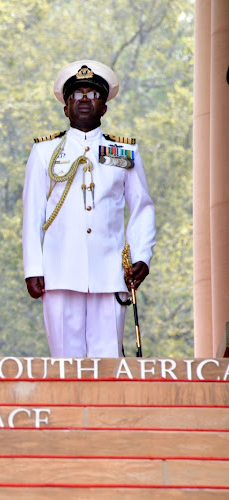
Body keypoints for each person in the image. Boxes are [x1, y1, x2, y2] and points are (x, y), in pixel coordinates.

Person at [22, 60, 156, 357]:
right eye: (77, 95)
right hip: (59, 272)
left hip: (110, 273)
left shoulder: (123, 151)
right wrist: (33, 267)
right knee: (65, 363)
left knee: (108, 361)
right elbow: (32, 213)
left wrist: (141, 257)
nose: (85, 100)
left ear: (104, 107)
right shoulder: (45, 151)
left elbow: (142, 208)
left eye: (93, 95)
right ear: (66, 107)